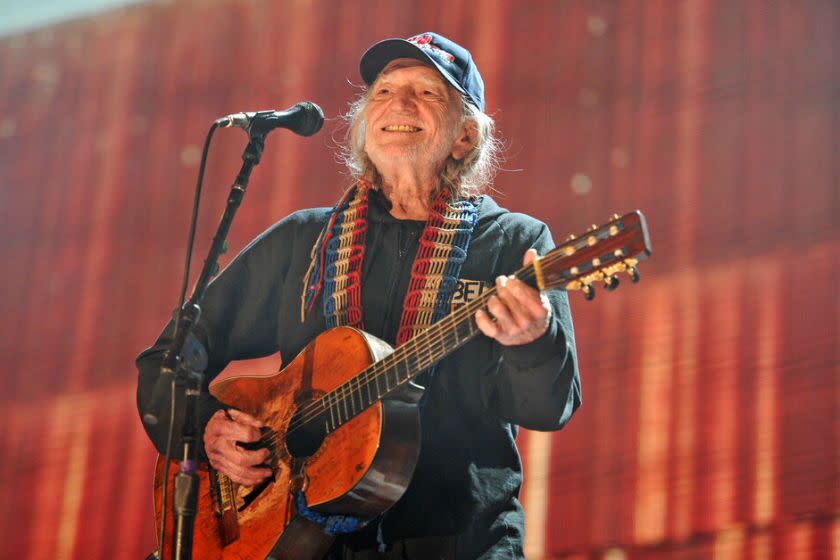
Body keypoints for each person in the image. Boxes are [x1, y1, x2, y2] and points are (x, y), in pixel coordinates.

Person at [137, 32, 581, 560]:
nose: (399, 103)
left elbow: (551, 405)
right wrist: (207, 424)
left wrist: (533, 339)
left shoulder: (513, 244)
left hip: (458, 544)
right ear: (364, 129)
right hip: (306, 545)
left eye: (427, 93)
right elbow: (169, 362)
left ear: (464, 137)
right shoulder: (302, 240)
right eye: (384, 92)